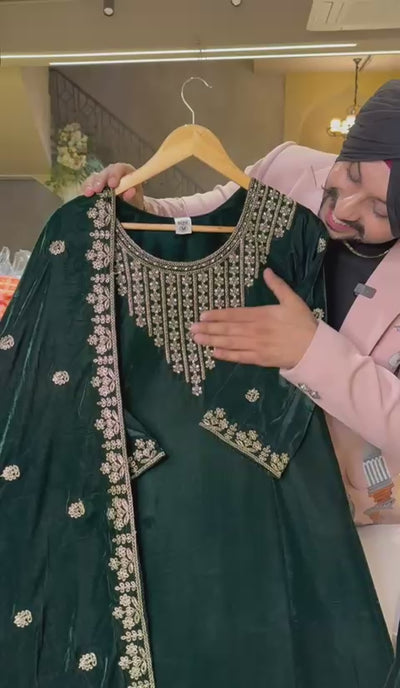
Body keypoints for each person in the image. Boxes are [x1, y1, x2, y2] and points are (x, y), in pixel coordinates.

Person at [83, 79, 400, 645]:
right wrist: (139, 205)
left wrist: (313, 352)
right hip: (224, 470)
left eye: (381, 209)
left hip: (350, 510)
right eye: (351, 174)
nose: (345, 209)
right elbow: (206, 216)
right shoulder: (289, 167)